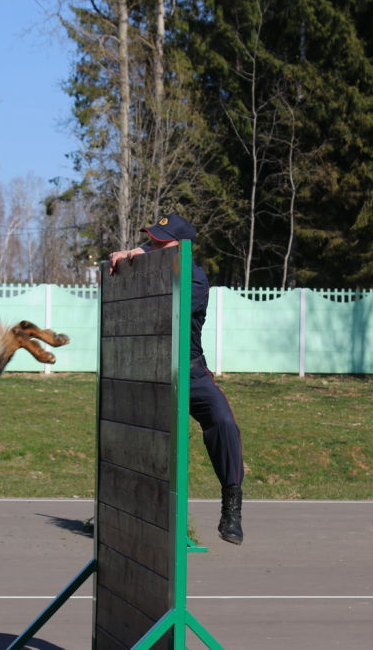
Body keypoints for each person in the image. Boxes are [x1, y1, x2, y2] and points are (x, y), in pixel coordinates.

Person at [108, 213, 244, 545]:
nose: (152, 246)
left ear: (181, 248)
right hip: (150, 372)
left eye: (159, 243)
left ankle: (232, 509)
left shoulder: (195, 281)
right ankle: (128, 510)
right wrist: (128, 257)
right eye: (150, 240)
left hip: (190, 372)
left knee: (224, 422)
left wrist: (137, 258)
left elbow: (163, 304)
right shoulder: (153, 267)